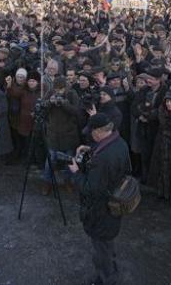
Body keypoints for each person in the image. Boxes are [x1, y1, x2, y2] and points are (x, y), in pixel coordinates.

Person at [68, 113, 131, 285]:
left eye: (92, 132)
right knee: (107, 243)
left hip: (101, 210)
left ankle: (107, 278)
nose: (91, 135)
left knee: (101, 246)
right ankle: (110, 267)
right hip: (113, 207)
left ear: (100, 131)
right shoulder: (119, 142)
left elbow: (90, 189)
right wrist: (91, 149)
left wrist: (76, 173)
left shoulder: (103, 159)